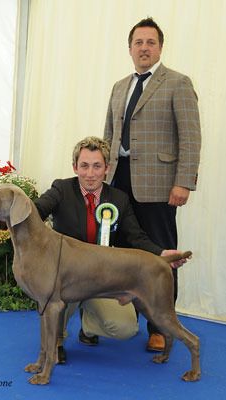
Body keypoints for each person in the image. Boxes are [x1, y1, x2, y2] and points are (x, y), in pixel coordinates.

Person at [34, 136, 187, 363]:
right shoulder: (61, 189)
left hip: (101, 279)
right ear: (75, 167)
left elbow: (137, 237)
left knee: (124, 328)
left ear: (107, 168)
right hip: (67, 277)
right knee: (55, 295)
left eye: (97, 166)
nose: (90, 173)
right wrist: (15, 206)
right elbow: (37, 210)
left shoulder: (119, 199)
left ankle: (89, 327)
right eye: (84, 166)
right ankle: (56, 339)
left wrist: (160, 254)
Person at [103, 17, 201, 352]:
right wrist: (101, 175)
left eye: (151, 42)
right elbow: (108, 136)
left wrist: (184, 181)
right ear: (129, 48)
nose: (144, 48)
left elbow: (190, 137)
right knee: (118, 256)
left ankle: (160, 327)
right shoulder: (119, 87)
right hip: (118, 182)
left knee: (161, 257)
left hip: (160, 186)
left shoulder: (178, 83)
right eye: (138, 43)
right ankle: (112, 318)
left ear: (160, 47)